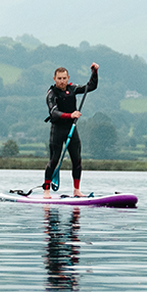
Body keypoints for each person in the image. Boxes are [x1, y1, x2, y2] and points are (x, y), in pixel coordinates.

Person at [43, 62, 98, 194]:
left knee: (77, 160)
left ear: (68, 78)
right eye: (59, 78)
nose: (62, 81)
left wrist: (94, 72)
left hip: (71, 129)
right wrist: (71, 115)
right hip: (57, 129)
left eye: (64, 78)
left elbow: (91, 86)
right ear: (54, 79)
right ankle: (46, 191)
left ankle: (76, 190)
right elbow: (54, 112)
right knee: (54, 160)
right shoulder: (51, 94)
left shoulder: (72, 89)